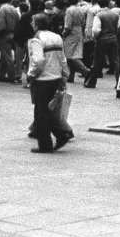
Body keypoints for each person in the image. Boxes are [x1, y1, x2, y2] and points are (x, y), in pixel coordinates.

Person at [26, 13, 72, 153]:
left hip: (42, 79)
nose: (31, 24)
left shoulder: (36, 40)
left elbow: (38, 60)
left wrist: (30, 74)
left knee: (41, 113)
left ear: (38, 24)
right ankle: (62, 133)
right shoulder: (56, 37)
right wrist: (64, 76)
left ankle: (46, 144)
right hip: (56, 77)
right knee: (48, 110)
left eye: (33, 22)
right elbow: (62, 58)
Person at [84, 0, 120, 88]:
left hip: (102, 40)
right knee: (116, 61)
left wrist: (94, 37)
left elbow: (96, 30)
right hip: (113, 39)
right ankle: (119, 83)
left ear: (99, 5)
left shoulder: (99, 15)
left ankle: (92, 81)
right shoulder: (115, 15)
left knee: (97, 61)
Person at [62, 0, 88, 83]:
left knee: (69, 55)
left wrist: (64, 34)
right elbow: (83, 22)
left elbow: (67, 25)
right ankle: (71, 76)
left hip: (71, 32)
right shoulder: (81, 9)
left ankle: (86, 71)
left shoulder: (69, 10)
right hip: (79, 31)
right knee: (75, 53)